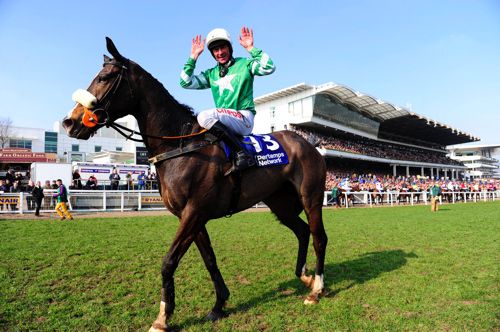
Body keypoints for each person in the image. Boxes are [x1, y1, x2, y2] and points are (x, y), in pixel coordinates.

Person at [180, 26, 275, 173]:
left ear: (230, 48)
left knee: (204, 116)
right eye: (215, 50)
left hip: (243, 118)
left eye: (222, 48)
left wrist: (250, 48)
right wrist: (193, 57)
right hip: (224, 120)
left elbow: (269, 67)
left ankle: (241, 153)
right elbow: (185, 82)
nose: (219, 53)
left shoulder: (245, 64)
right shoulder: (211, 74)